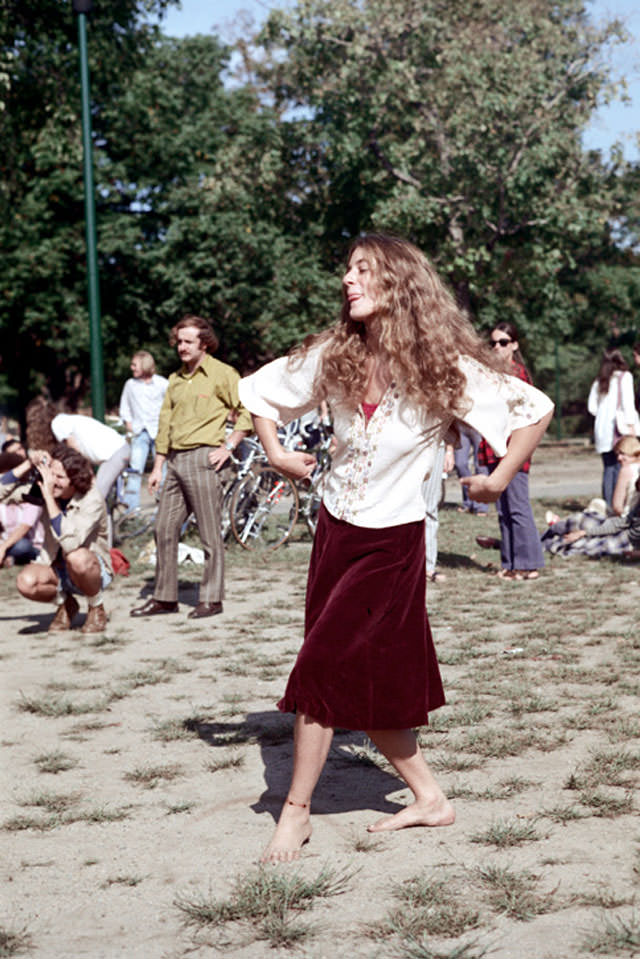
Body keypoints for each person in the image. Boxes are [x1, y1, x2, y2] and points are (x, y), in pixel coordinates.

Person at [238, 233, 553, 862]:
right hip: (336, 528)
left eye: (363, 270)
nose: (348, 280)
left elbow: (532, 408)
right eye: (347, 269)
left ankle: (293, 812)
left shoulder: (442, 365)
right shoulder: (336, 352)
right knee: (368, 682)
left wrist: (496, 478)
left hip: (394, 539)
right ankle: (430, 798)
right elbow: (259, 391)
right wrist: (275, 454)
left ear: (399, 283)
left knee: (321, 667)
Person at [130, 315, 252, 620]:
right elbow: (165, 424)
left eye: (188, 342)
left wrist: (229, 446)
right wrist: (157, 466)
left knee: (209, 533)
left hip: (205, 459)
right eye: (179, 342)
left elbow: (248, 410)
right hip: (175, 461)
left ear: (204, 343)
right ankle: (165, 598)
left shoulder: (223, 374)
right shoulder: (174, 380)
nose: (181, 347)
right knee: (164, 528)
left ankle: (212, 599)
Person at [1, 444, 112, 633]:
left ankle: (96, 607)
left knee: (76, 557)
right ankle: (66, 604)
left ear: (75, 479)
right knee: (26, 582)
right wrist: (28, 463)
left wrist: (49, 499)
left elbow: (70, 544)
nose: (54, 482)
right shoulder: (46, 490)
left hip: (91, 569)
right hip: (56, 567)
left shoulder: (91, 498)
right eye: (51, 475)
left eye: (60, 477)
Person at [476, 322, 545, 581]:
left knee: (517, 507)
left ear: (514, 345)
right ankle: (511, 563)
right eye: (493, 342)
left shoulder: (517, 374)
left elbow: (526, 416)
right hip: (494, 448)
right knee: (503, 508)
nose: (497, 347)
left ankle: (528, 564)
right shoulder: (493, 374)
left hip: (513, 449)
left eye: (503, 342)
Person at [542, 435, 640, 558]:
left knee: (587, 521)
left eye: (623, 454)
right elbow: (623, 522)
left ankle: (554, 532)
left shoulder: (627, 470)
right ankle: (555, 534)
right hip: (623, 529)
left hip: (624, 535)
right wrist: (584, 533)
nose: (619, 458)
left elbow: (617, 507)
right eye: (618, 454)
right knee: (586, 532)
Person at [118, 350, 169, 511]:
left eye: (135, 364)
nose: (132, 368)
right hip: (140, 433)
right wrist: (129, 425)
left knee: (163, 471)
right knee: (134, 471)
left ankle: (164, 508)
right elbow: (124, 406)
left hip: (160, 432)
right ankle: (131, 510)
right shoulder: (130, 385)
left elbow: (172, 405)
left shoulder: (162, 383)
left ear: (145, 364)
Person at [587, 348, 637, 506]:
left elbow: (592, 407)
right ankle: (618, 505)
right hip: (619, 428)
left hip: (602, 430)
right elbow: (627, 404)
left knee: (608, 468)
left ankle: (607, 503)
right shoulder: (625, 377)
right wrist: (632, 426)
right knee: (620, 467)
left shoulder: (600, 380)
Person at [50, 413, 130, 501]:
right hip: (121, 449)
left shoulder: (57, 423)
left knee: (97, 495)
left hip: (114, 454)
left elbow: (74, 451)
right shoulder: (71, 419)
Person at [0, 451, 44, 566]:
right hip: (6, 543)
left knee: (22, 546)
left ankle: (8, 557)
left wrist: (3, 547)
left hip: (31, 545)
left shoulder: (30, 495)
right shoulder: (3, 501)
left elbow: (25, 526)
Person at [422, 441, 454, 583]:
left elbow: (452, 420)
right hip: (400, 444)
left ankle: (428, 567)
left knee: (429, 507)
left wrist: (449, 450)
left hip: (434, 445)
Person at [453, 424, 488, 515]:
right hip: (460, 426)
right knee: (460, 463)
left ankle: (481, 506)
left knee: (480, 466)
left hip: (479, 425)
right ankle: (468, 501)